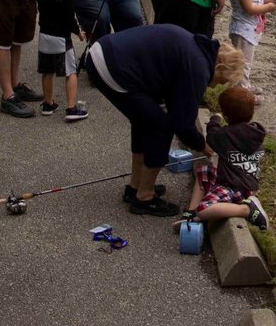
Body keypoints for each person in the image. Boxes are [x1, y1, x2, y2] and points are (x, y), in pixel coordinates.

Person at [83, 24, 242, 216]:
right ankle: (145, 198)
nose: (214, 86)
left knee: (144, 120)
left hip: (104, 51)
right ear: (219, 67)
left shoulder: (196, 45)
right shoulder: (199, 67)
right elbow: (182, 122)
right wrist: (202, 145)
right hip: (113, 66)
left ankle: (135, 186)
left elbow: (174, 100)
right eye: (221, 81)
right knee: (160, 127)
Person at [179, 85, 268, 230]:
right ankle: (191, 211)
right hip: (247, 183)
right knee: (204, 172)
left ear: (226, 116)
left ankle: (246, 210)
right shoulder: (255, 134)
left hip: (234, 187)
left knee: (204, 209)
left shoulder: (225, 136)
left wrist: (215, 119)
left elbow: (212, 136)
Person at [37, 0, 88, 122]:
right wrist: (79, 32)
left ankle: (47, 103)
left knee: (47, 71)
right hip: (61, 39)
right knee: (70, 72)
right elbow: (70, 18)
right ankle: (71, 108)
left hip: (44, 36)